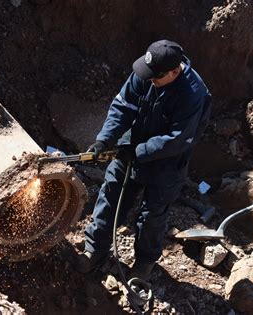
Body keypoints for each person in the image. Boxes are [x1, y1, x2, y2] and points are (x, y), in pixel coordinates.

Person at [76, 39, 212, 279]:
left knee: (153, 215)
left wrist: (138, 152)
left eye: (155, 78)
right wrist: (105, 140)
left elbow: (176, 139)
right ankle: (95, 250)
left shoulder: (193, 94)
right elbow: (123, 106)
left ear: (174, 71)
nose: (149, 81)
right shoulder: (148, 73)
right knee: (110, 196)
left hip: (167, 163)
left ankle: (143, 265)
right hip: (131, 146)